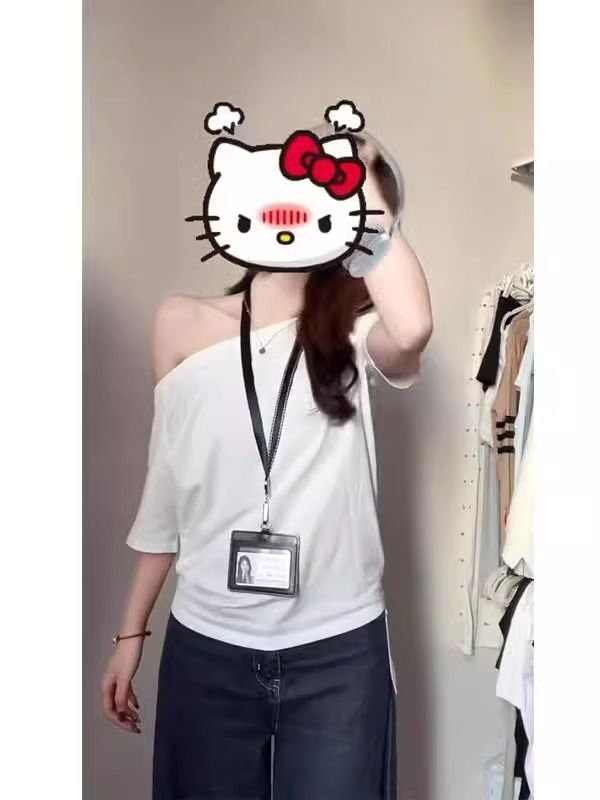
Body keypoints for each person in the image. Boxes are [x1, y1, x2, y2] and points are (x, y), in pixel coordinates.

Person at [100, 127, 433, 800]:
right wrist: (130, 633)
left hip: (339, 651)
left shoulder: (358, 334)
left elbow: (415, 328)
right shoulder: (180, 321)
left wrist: (362, 178)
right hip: (207, 645)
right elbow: (167, 490)